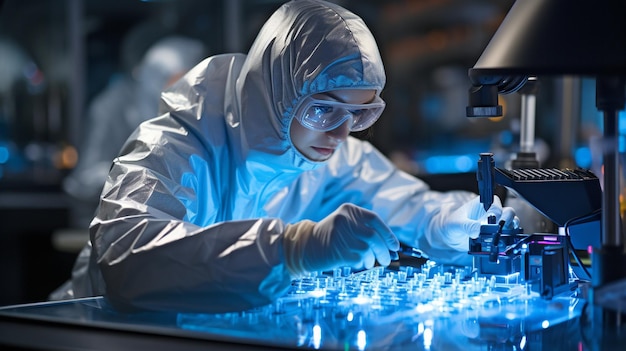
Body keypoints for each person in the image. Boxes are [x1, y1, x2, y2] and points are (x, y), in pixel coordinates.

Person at [56, 0, 517, 313]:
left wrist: (450, 221)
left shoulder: (328, 156)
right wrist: (291, 249)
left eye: (359, 114)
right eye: (323, 108)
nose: (340, 132)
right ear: (275, 92)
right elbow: (128, 259)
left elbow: (407, 205)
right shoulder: (178, 144)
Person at [62, 35, 207, 228]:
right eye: (179, 82)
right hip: (116, 229)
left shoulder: (200, 114)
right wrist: (139, 176)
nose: (186, 94)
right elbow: (84, 181)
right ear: (156, 78)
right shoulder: (111, 108)